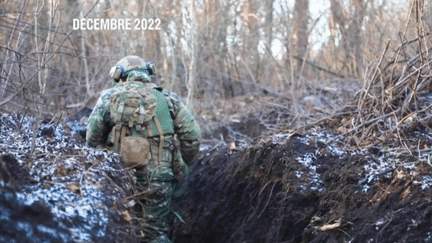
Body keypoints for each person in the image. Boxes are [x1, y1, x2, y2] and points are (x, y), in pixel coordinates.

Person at [86, 55, 201, 243]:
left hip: (119, 179)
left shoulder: (109, 98)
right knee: (154, 234)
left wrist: (109, 163)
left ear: (119, 75)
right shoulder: (167, 98)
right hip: (160, 178)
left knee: (121, 232)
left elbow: (92, 139)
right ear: (147, 74)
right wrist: (182, 163)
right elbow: (193, 137)